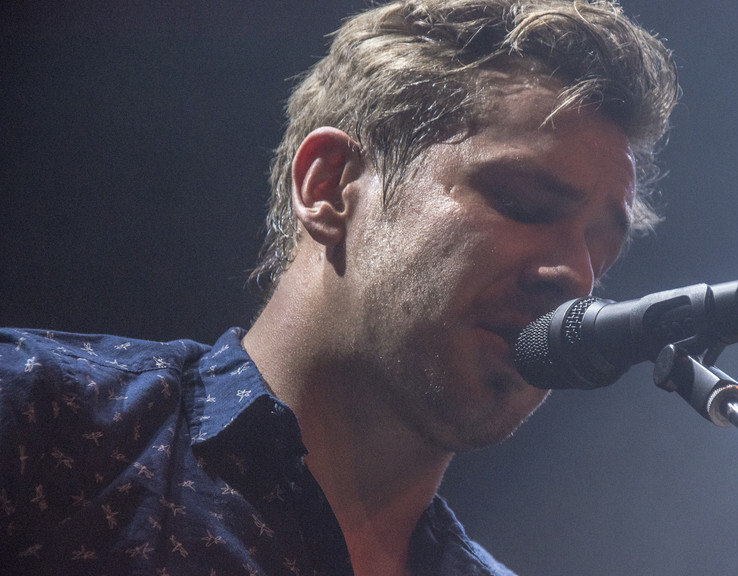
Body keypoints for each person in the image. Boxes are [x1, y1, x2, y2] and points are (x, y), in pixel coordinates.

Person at [0, 0, 677, 574]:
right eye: (524, 202)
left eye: (601, 248)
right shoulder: (42, 417)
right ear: (328, 186)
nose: (576, 277)